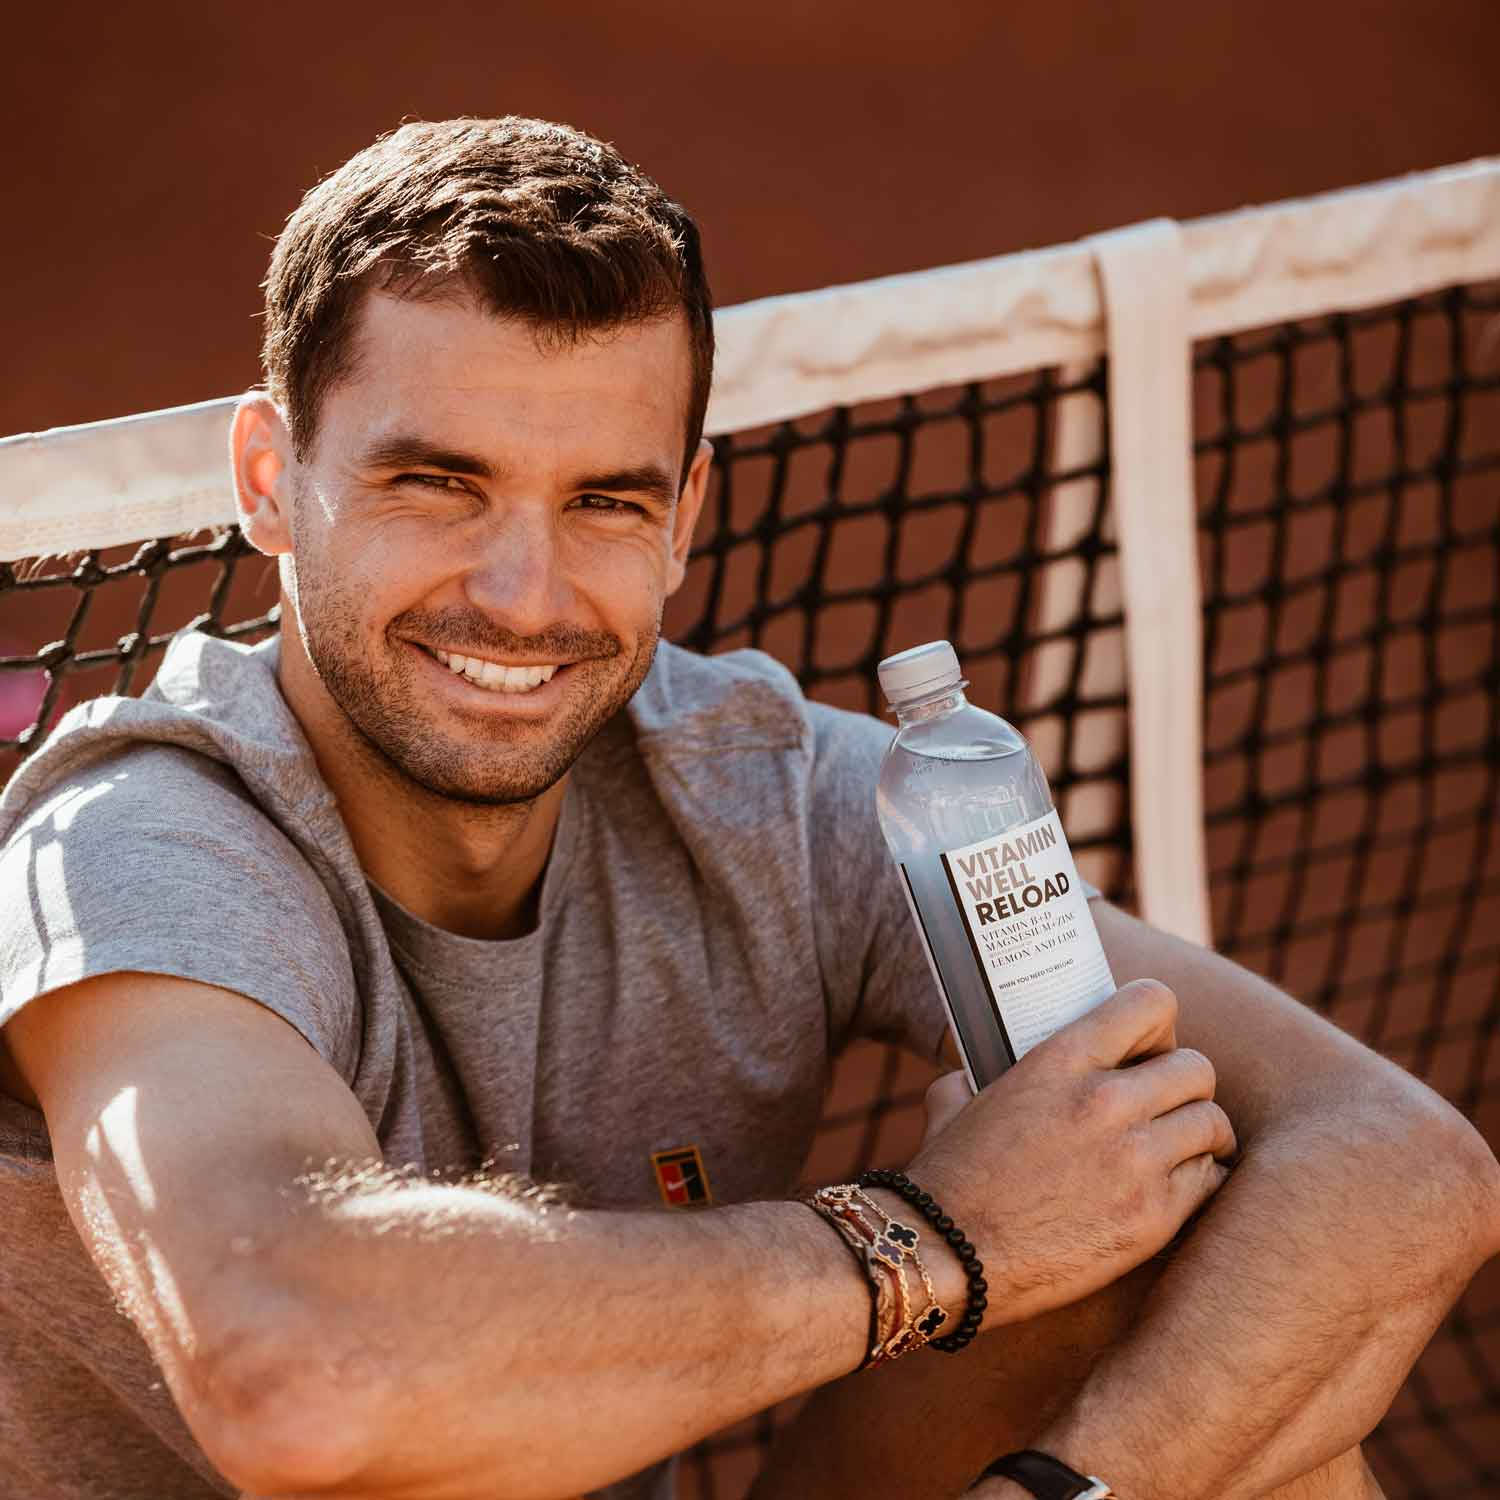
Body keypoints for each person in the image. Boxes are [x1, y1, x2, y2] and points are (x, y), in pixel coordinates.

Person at [0, 116, 1494, 1500]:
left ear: (686, 517)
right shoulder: (137, 840)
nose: (523, 597)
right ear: (269, 479)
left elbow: (1393, 1160)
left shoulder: (763, 791)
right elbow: (299, 1376)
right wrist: (927, 1238)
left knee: (1170, 1264)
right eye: (439, 484)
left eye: (606, 500)